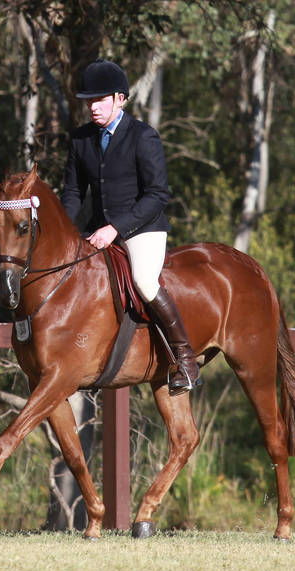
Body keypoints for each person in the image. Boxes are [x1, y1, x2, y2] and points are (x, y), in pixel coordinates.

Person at [61, 58, 200, 395]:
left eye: (100, 100)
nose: (93, 107)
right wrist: (64, 232)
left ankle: (185, 359)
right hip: (99, 231)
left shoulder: (142, 136)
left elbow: (157, 194)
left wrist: (115, 228)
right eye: (89, 101)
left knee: (142, 280)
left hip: (143, 229)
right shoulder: (81, 139)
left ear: (120, 99)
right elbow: (74, 192)